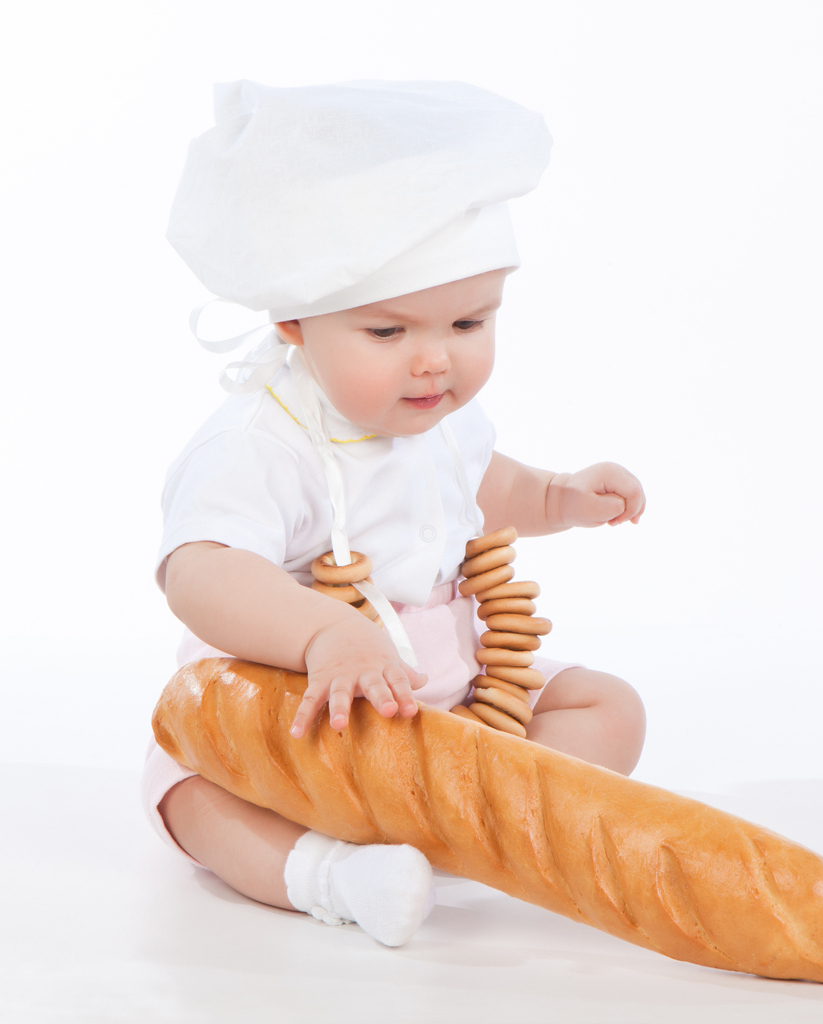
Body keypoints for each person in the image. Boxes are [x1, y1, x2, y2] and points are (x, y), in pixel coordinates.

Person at [145, 79, 647, 948]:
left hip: (451, 692)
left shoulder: (442, 420)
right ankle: (331, 875)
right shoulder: (262, 443)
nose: (435, 363)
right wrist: (320, 636)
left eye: (467, 322)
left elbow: (481, 483)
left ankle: (477, 825)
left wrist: (559, 497)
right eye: (388, 334)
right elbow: (200, 569)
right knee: (189, 795)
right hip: (310, 709)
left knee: (610, 708)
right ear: (294, 325)